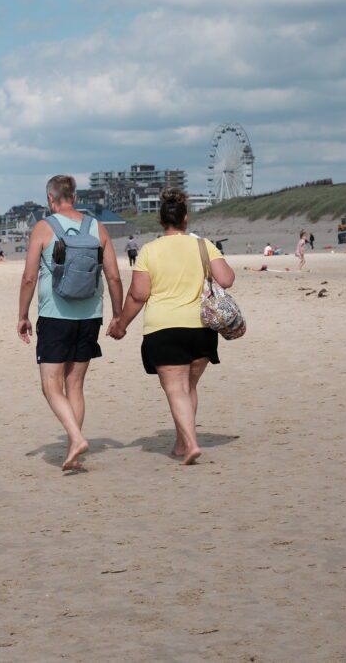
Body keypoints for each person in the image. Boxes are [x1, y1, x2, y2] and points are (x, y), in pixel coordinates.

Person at [108, 188, 235, 466]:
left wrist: (121, 324)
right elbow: (226, 279)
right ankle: (181, 443)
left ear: (161, 220)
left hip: (163, 329)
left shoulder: (149, 251)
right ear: (185, 218)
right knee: (189, 387)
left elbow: (138, 294)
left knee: (176, 390)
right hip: (201, 328)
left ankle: (190, 445)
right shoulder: (203, 245)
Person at [17, 175, 124, 470]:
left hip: (54, 315)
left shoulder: (43, 227)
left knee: (51, 386)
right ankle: (74, 451)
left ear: (50, 199)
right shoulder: (96, 227)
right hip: (90, 316)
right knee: (74, 385)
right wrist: (118, 314)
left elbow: (28, 277)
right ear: (74, 197)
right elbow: (113, 276)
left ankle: (76, 439)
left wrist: (23, 315)